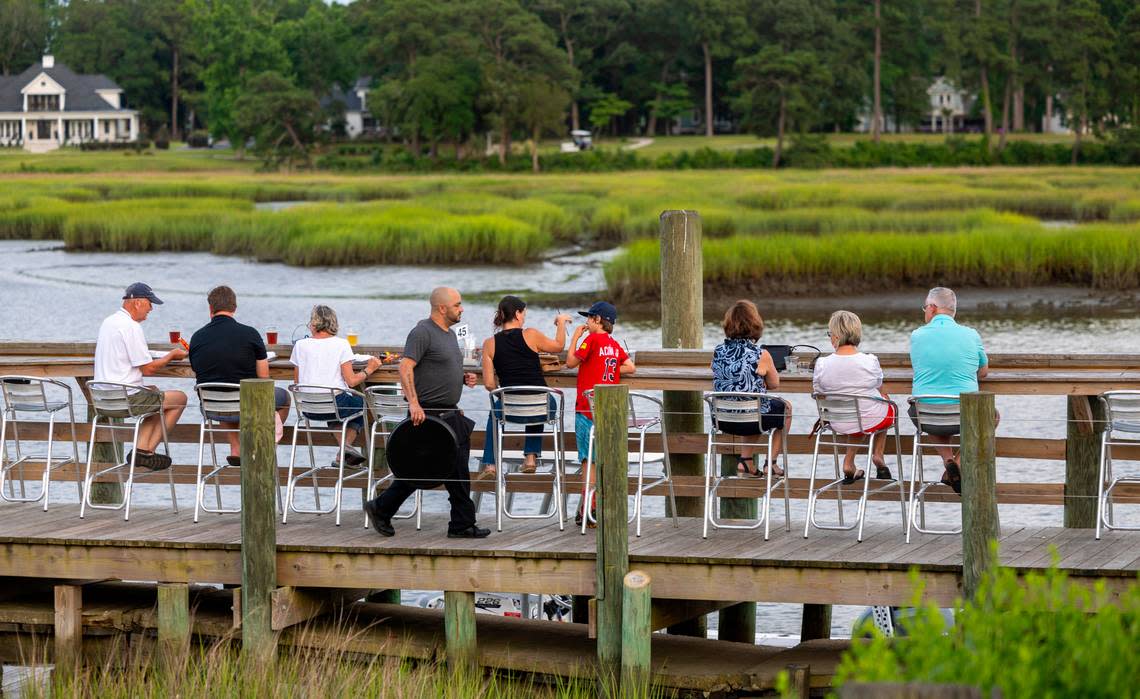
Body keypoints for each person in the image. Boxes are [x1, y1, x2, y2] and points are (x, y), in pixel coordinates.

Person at [364, 287, 489, 539]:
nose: (461, 308)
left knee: (453, 469)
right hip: (428, 415)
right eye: (457, 305)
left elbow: (437, 369)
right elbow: (405, 367)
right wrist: (413, 403)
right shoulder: (422, 332)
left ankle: (461, 523)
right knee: (427, 469)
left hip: (450, 413)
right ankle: (383, 508)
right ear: (442, 308)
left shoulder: (450, 335)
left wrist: (462, 379)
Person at [188, 285, 291, 466]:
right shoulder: (250, 334)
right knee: (284, 398)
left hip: (211, 406)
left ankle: (236, 449)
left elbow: (199, 371)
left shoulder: (196, 337)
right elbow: (264, 379)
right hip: (245, 402)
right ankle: (262, 444)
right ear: (234, 307)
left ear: (210, 309)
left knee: (223, 394)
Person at [93, 282, 188, 471]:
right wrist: (172, 356)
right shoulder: (131, 327)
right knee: (179, 399)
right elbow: (148, 369)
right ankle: (146, 451)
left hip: (104, 399)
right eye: (150, 303)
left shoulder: (109, 322)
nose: (151, 309)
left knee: (156, 396)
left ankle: (141, 451)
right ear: (137, 303)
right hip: (127, 398)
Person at [909, 287, 992, 494]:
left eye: (925, 308)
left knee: (930, 412)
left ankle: (948, 460)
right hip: (963, 414)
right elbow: (983, 372)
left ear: (932, 308)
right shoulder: (971, 335)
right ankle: (958, 461)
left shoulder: (917, 335)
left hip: (926, 415)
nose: (925, 312)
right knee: (993, 416)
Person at [479, 295, 572, 478]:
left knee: (495, 411)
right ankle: (530, 458)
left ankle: (490, 463)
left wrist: (508, 398)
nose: (525, 318)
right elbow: (559, 346)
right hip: (542, 407)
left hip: (510, 408)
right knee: (538, 399)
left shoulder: (489, 344)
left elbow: (489, 384)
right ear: (517, 314)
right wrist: (561, 323)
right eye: (524, 314)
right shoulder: (530, 334)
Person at [566, 301, 635, 523]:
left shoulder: (591, 339)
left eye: (588, 318)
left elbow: (570, 363)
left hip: (586, 410)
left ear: (597, 320)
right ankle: (594, 507)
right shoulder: (613, 345)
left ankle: (588, 508)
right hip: (607, 411)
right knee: (602, 458)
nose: (585, 322)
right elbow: (630, 367)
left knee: (588, 460)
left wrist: (575, 336)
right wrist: (610, 367)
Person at [290, 304, 381, 466]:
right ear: (334, 324)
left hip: (308, 408)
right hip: (334, 405)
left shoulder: (299, 345)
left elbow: (297, 383)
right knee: (362, 403)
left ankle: (343, 453)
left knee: (334, 407)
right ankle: (345, 449)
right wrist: (370, 369)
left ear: (313, 324)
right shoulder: (341, 344)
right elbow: (352, 381)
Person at [812, 310, 895, 484]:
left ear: (835, 336)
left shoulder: (822, 364)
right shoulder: (870, 360)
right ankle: (878, 455)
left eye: (829, 334)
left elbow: (818, 393)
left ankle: (849, 462)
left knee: (857, 412)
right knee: (888, 405)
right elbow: (879, 384)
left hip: (837, 420)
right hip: (868, 419)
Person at [710, 300, 791, 477]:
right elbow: (775, 384)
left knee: (751, 404)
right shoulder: (761, 354)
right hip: (751, 419)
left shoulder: (717, 351)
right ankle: (771, 463)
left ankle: (746, 461)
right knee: (785, 408)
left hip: (721, 419)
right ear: (755, 324)